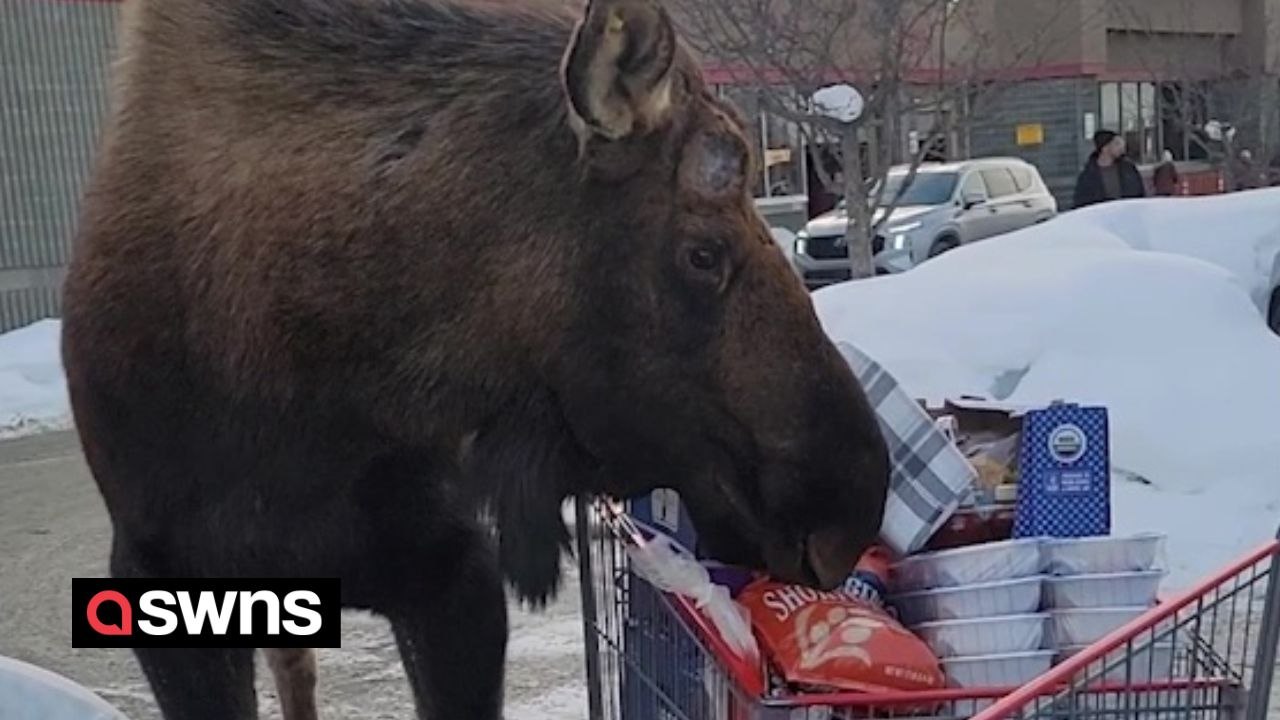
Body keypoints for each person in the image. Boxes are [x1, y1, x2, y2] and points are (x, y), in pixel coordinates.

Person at [1073, 129, 1146, 208]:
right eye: (1116, 144)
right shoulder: (1088, 176)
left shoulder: (1128, 168)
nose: (1121, 148)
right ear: (1105, 148)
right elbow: (1082, 203)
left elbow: (1140, 193)